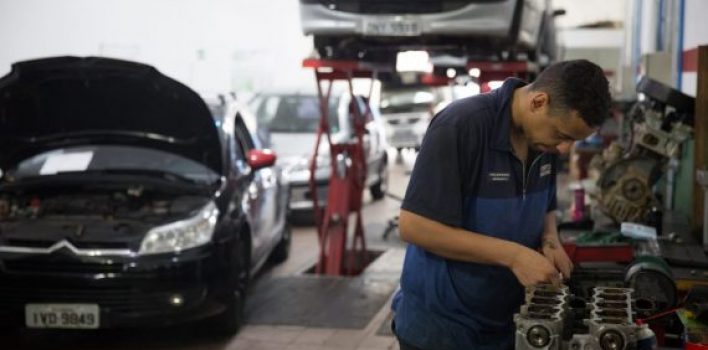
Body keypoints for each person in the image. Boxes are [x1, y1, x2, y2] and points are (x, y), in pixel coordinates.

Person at [391, 59, 612, 350]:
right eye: (562, 135)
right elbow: (414, 227)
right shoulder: (460, 126)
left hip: (504, 323)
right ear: (538, 102)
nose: (563, 149)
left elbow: (545, 204)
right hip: (442, 329)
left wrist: (550, 239)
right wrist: (514, 256)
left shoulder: (543, 140)